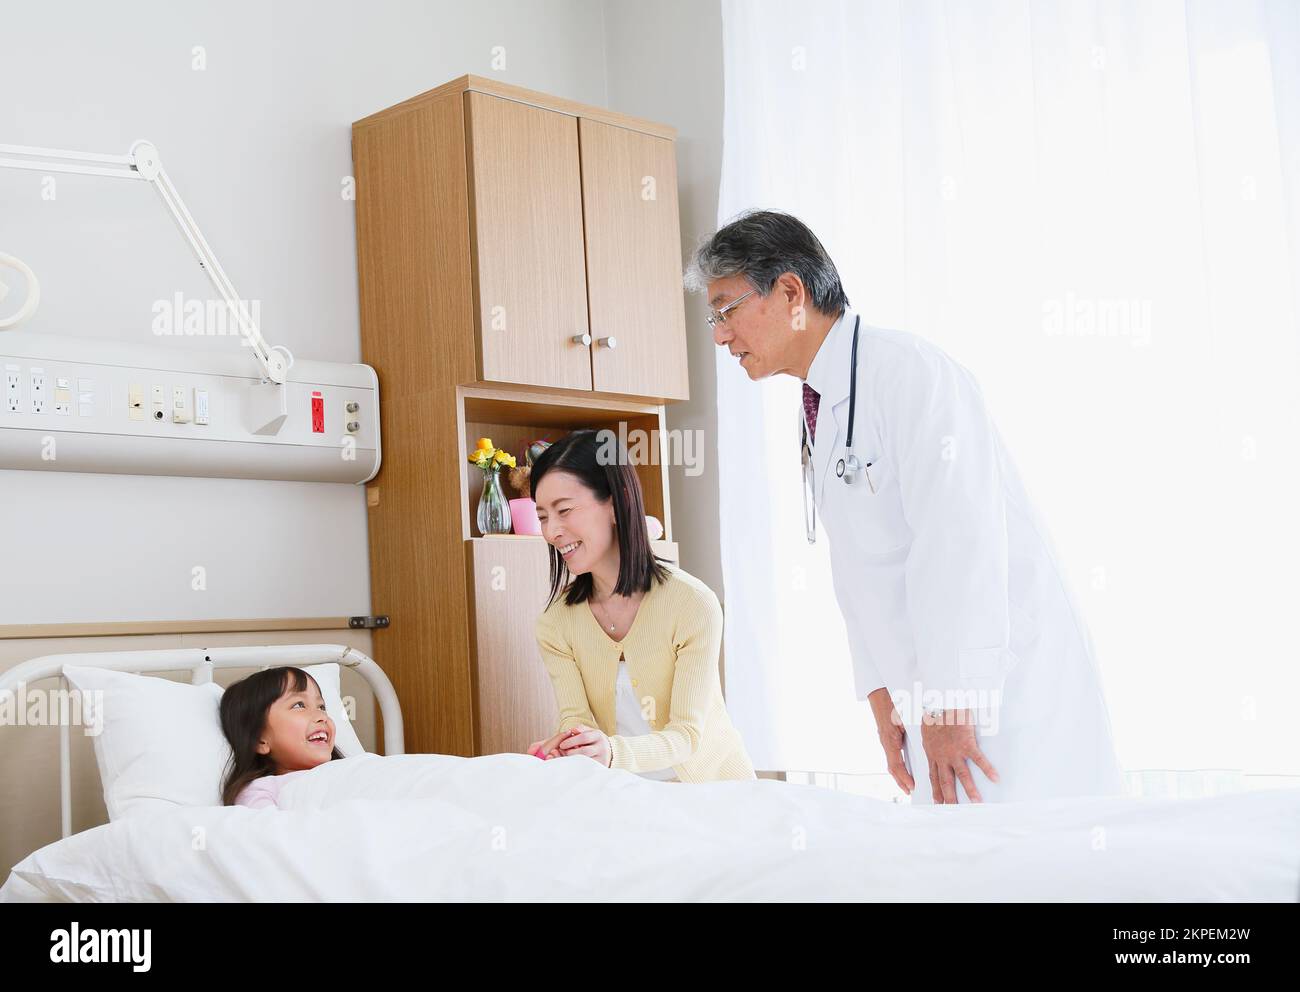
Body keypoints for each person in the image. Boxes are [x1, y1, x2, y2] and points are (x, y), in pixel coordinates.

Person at [686, 209, 1124, 804]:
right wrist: (881, 695)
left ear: (790, 291)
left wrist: (949, 700)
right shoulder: (820, 404)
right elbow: (860, 569)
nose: (719, 335)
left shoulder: (909, 374)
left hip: (999, 689)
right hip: (929, 693)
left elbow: (957, 542)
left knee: (1036, 865)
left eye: (726, 309)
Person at [527, 429, 755, 783]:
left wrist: (612, 752)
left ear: (616, 505)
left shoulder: (692, 604)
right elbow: (577, 719)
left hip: (713, 796)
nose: (551, 531)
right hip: (626, 799)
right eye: (542, 516)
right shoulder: (555, 624)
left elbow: (687, 736)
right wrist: (571, 745)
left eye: (564, 510)